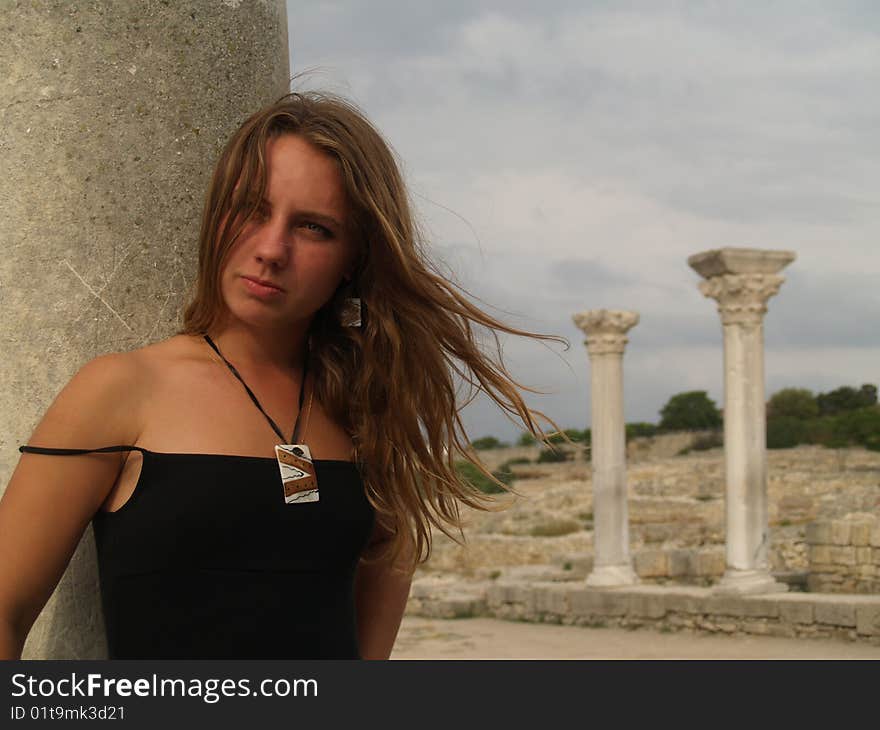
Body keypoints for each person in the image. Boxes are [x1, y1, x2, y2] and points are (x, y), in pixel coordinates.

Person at [0, 89, 567, 660]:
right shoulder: (118, 390)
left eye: (314, 227)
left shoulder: (365, 404)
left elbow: (386, 566)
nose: (271, 249)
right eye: (251, 209)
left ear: (354, 258)